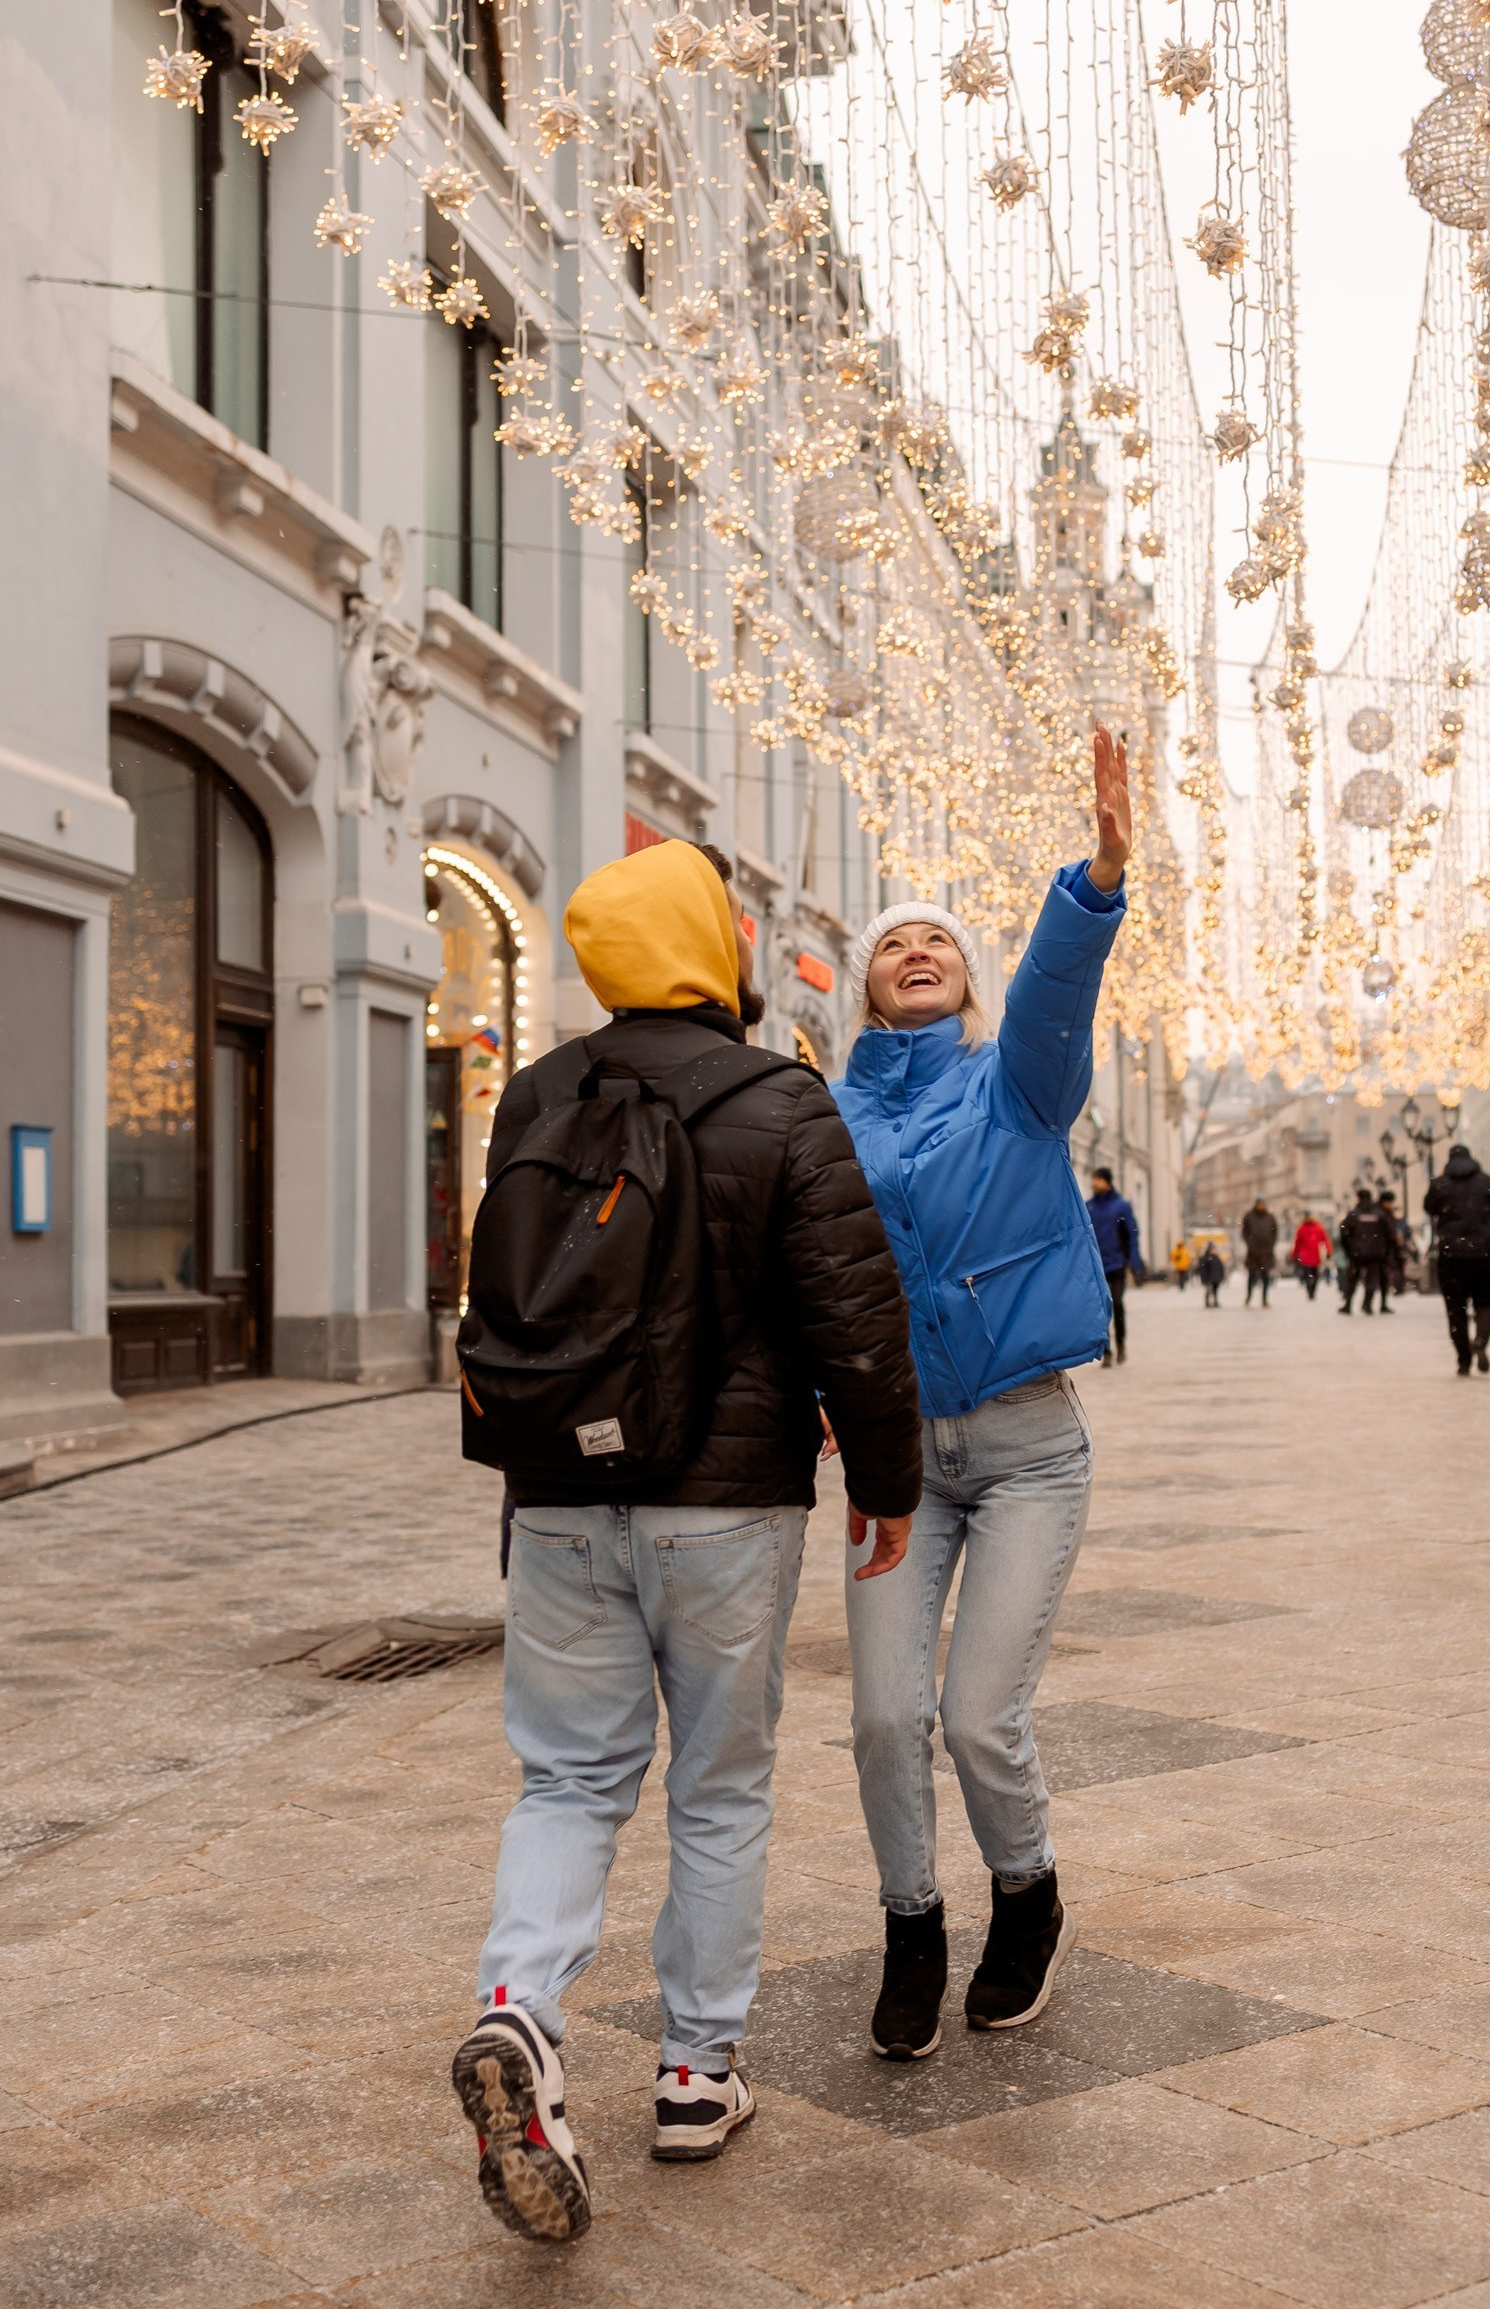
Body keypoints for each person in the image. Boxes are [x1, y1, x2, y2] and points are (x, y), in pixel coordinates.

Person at [451, 838, 923, 2244]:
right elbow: (853, 1313)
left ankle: (519, 2011)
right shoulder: (779, 1097)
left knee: (566, 1780)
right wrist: (887, 1481)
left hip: (557, 1499)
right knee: (717, 1787)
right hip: (723, 1508)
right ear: (709, 946)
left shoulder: (537, 1092)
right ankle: (696, 2073)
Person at [830, 722, 1130, 2063]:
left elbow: (1056, 995)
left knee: (974, 1716)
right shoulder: (825, 1119)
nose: (916, 948)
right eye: (893, 940)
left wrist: (1094, 883)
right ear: (863, 984)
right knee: (882, 1718)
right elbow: (802, 1273)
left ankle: (1027, 1897)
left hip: (1025, 1452)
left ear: (963, 978)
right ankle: (912, 1928)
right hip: (893, 1461)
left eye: (937, 941)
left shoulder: (1015, 1089)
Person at [1425, 1141, 1490, 1375]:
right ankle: (1480, 1340)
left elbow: (1429, 1208)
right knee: (1486, 1303)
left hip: (1451, 1256)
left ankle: (1463, 1360)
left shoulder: (1440, 1184)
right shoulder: (1486, 1181)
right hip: (1483, 1253)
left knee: (1456, 1309)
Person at [1087, 1167, 1143, 1364]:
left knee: (1117, 1304)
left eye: (1097, 1179)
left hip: (1117, 1264)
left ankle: (1121, 1344)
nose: (1094, 1183)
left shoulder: (1121, 1206)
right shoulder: (1089, 1207)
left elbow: (1132, 1234)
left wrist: (1134, 1262)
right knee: (1101, 1310)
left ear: (1107, 1181)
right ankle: (1107, 1351)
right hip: (1097, 1265)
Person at [1338, 1188, 1396, 1316]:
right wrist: (1385, 1251)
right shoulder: (1380, 1214)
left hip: (1357, 1253)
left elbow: (1343, 1233)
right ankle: (1367, 1305)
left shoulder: (1353, 1214)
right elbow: (1390, 1234)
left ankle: (1348, 1305)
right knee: (1372, 1279)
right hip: (1375, 1254)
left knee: (1353, 1279)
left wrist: (1349, 1250)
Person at [1241, 1199, 1278, 1307]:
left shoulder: (1270, 1217)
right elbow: (1245, 1232)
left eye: (1263, 1204)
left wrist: (1270, 1245)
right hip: (1253, 1252)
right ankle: (1249, 1296)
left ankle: (1264, 1298)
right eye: (1260, 1204)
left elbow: (1275, 1232)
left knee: (1266, 1276)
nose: (1262, 1206)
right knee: (1252, 1276)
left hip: (1266, 1252)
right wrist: (1250, 1244)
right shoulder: (1249, 1216)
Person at [1290, 1210, 1331, 1301]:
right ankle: (1310, 1291)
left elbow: (1325, 1240)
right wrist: (1294, 1254)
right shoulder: (1303, 1228)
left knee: (1313, 1275)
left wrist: (1328, 1251)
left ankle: (1311, 1291)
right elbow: (1298, 1243)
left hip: (1315, 1255)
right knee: (1309, 1275)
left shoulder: (1317, 1227)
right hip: (1307, 1255)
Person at [1377, 1190, 1405, 1309]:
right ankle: (1380, 1303)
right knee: (1381, 1276)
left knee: (1379, 1276)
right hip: (1383, 1249)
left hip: (1379, 1249)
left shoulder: (1382, 1212)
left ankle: (1377, 1303)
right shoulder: (1384, 1214)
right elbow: (1390, 1231)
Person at [1197, 1242, 1226, 1307]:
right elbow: (1203, 1269)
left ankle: (1215, 1301)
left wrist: (1221, 1276)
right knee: (1208, 1291)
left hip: (1216, 1278)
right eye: (1212, 1249)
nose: (1213, 1250)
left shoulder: (1216, 1257)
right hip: (1208, 1278)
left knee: (1215, 1291)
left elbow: (1220, 1267)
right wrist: (1204, 1278)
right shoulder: (1205, 1258)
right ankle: (1207, 1302)